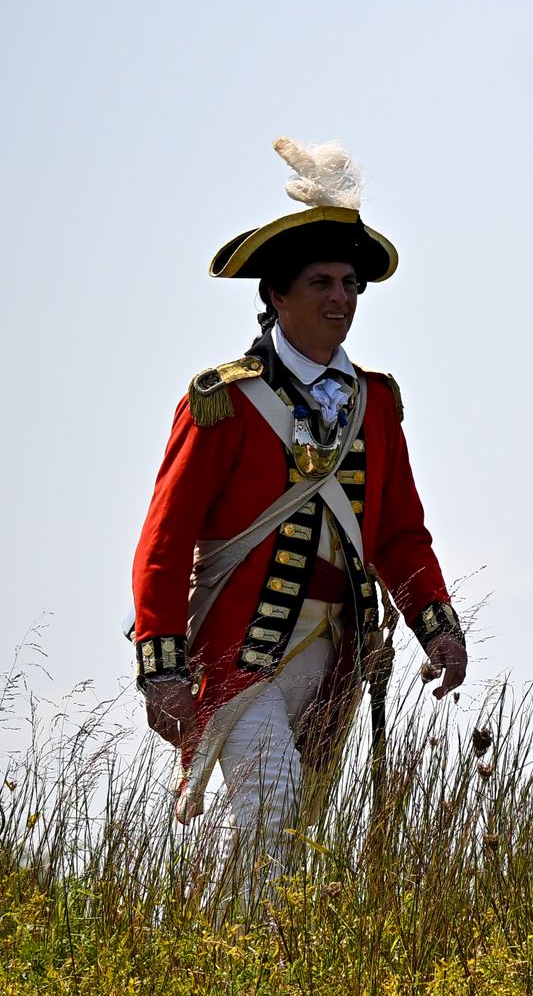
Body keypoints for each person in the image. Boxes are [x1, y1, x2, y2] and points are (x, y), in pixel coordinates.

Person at [131, 138, 467, 888]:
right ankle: (247, 960)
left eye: (350, 282)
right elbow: (165, 539)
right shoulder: (223, 400)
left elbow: (398, 535)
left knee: (287, 828)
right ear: (278, 295)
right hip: (240, 653)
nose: (340, 297)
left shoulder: (376, 403)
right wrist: (160, 665)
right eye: (321, 280)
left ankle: (221, 951)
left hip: (335, 657)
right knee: (272, 798)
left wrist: (437, 627)